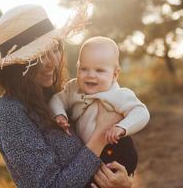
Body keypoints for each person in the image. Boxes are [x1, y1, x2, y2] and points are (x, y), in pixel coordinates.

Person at [0, 4, 132, 188]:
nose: (52, 62)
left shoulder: (61, 95)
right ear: (17, 65)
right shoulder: (9, 111)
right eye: (39, 56)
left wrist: (124, 183)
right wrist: (100, 135)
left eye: (55, 49)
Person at [49, 36, 150, 175]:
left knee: (114, 173)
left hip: (115, 147)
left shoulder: (118, 94)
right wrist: (59, 114)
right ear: (78, 67)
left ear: (115, 74)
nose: (90, 75)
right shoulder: (74, 88)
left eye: (100, 70)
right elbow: (57, 99)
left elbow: (141, 112)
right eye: (84, 69)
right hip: (88, 151)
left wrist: (122, 127)